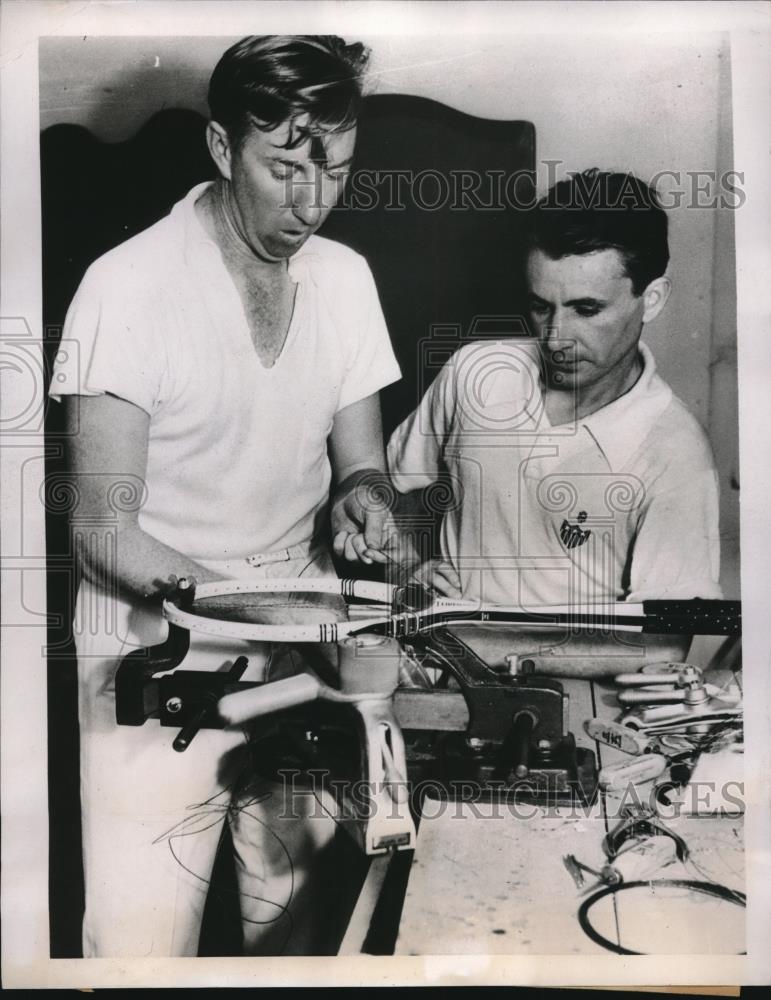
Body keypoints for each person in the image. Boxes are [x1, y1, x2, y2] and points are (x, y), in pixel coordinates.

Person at [50, 35, 400, 957]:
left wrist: (365, 502)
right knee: (136, 952)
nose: (312, 202)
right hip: (155, 654)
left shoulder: (347, 280)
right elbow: (100, 533)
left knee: (296, 937)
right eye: (285, 167)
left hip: (300, 650)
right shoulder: (125, 288)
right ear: (220, 148)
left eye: (337, 169)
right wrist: (261, 615)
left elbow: (360, 466)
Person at [386, 169, 722, 675]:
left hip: (575, 700)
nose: (556, 338)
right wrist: (410, 568)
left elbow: (663, 645)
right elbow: (397, 492)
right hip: (437, 673)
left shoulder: (676, 453)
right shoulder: (476, 371)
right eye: (541, 307)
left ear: (651, 298)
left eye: (586, 309)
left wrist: (485, 649)